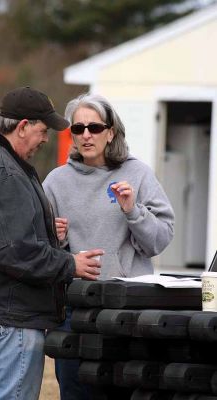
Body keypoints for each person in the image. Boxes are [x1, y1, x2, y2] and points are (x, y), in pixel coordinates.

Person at [0, 86, 103, 400]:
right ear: (22, 127)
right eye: (42, 130)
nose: (46, 139)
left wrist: (47, 232)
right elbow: (12, 250)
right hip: (8, 319)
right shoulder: (6, 173)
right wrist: (70, 263)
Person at [43, 92, 175, 400]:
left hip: (127, 309)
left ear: (110, 132)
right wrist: (57, 238)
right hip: (74, 310)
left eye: (95, 127)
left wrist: (133, 211)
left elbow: (160, 240)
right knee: (77, 393)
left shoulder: (137, 174)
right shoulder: (55, 182)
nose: (86, 135)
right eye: (78, 129)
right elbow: (40, 251)